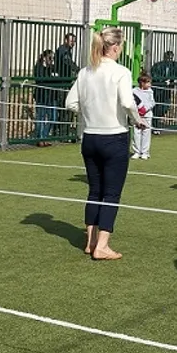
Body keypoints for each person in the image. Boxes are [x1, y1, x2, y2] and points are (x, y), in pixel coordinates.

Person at [65, 28, 146, 261]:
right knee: (111, 193)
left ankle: (90, 241)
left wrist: (91, 111)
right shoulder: (121, 71)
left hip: (90, 137)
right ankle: (102, 246)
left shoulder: (85, 72)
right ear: (116, 47)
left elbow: (70, 103)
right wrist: (137, 120)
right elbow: (127, 102)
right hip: (114, 137)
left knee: (94, 190)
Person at [33, 49, 59, 147]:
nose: (52, 60)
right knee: (41, 117)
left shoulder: (53, 67)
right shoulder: (38, 67)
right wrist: (52, 79)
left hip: (52, 96)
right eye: (50, 58)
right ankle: (40, 139)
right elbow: (41, 80)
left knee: (53, 117)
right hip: (41, 96)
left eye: (53, 58)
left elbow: (58, 79)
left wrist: (53, 79)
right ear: (44, 58)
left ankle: (45, 136)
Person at [149, 51, 177, 130]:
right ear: (165, 58)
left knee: (165, 107)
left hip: (167, 91)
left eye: (171, 58)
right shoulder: (158, 65)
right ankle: (154, 124)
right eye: (168, 58)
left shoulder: (174, 66)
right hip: (158, 90)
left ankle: (156, 122)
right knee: (157, 107)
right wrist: (163, 81)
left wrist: (172, 81)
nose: (169, 60)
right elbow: (154, 75)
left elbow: (176, 75)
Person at [131, 73, 155, 160]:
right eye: (148, 83)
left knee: (146, 132)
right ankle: (137, 151)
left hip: (147, 115)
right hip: (137, 116)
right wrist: (137, 111)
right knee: (136, 133)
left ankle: (145, 152)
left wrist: (145, 109)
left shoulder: (150, 91)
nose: (150, 85)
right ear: (142, 83)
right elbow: (132, 103)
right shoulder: (134, 91)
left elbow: (152, 103)